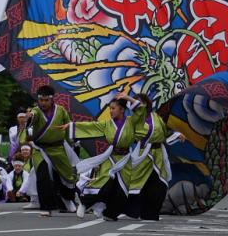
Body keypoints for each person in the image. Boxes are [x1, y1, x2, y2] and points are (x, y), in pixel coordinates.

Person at [62, 92, 145, 221]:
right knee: (103, 184)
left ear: (122, 109)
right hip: (111, 157)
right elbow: (91, 126)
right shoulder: (107, 124)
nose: (111, 111)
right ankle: (85, 203)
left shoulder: (131, 122)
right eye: (110, 108)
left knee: (122, 189)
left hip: (124, 159)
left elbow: (140, 111)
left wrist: (128, 98)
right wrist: (72, 126)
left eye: (113, 108)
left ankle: (110, 214)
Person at [20, 84, 78, 217]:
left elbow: (68, 127)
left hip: (58, 148)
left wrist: (73, 142)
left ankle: (67, 198)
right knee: (42, 174)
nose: (43, 103)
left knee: (68, 177)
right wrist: (29, 118)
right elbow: (32, 117)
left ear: (52, 99)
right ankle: (46, 207)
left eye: (46, 100)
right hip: (40, 149)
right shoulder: (36, 111)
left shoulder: (61, 110)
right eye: (41, 100)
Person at [126, 94, 183, 221]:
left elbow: (165, 132)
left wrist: (176, 135)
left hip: (158, 155)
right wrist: (127, 98)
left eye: (141, 102)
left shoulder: (156, 117)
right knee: (137, 184)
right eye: (136, 102)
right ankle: (132, 210)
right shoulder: (133, 119)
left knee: (159, 186)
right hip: (142, 156)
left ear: (147, 104)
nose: (139, 105)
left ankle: (151, 213)